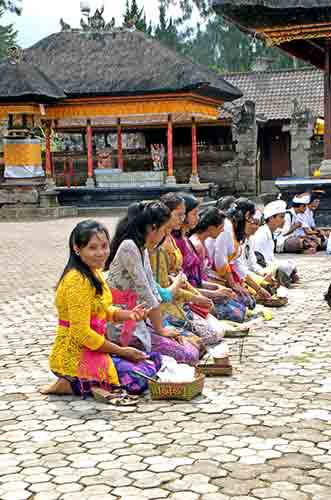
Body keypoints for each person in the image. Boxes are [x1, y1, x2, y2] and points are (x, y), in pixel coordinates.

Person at [41, 220, 161, 402]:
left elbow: (104, 310)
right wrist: (122, 351)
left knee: (151, 362)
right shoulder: (77, 281)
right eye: (92, 248)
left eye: (104, 246)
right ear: (77, 249)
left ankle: (86, 380)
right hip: (75, 355)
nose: (101, 253)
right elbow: (81, 334)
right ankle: (69, 383)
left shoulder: (94, 273)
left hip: (95, 347)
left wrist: (128, 314)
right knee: (138, 378)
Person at [106, 200, 201, 365]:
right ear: (152, 227)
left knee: (193, 345)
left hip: (142, 319)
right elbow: (146, 293)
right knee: (189, 354)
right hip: (123, 323)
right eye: (164, 230)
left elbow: (152, 288)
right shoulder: (129, 247)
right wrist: (160, 329)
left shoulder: (142, 248)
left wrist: (160, 328)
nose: (164, 235)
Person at [252, 200, 299, 288]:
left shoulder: (269, 232)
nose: (283, 220)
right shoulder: (262, 233)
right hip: (261, 266)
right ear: (271, 218)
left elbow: (270, 257)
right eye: (281, 217)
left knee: (290, 264)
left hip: (268, 264)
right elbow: (259, 259)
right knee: (287, 266)